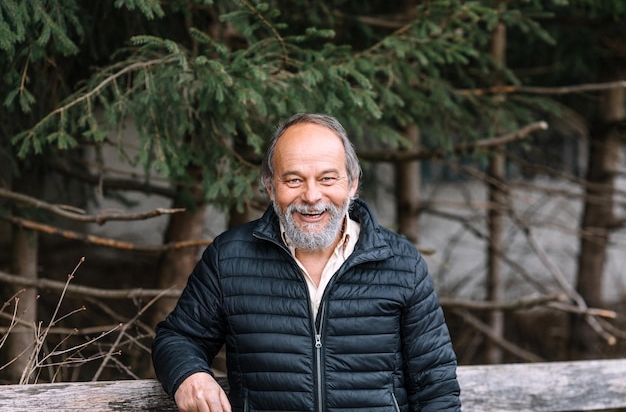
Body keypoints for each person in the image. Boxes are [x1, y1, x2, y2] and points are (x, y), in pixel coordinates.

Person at [152, 113, 462, 412]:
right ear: (271, 186)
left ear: (352, 184)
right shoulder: (229, 257)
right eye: (294, 180)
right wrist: (189, 375)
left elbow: (435, 384)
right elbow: (178, 337)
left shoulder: (400, 263)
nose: (312, 195)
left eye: (327, 178)